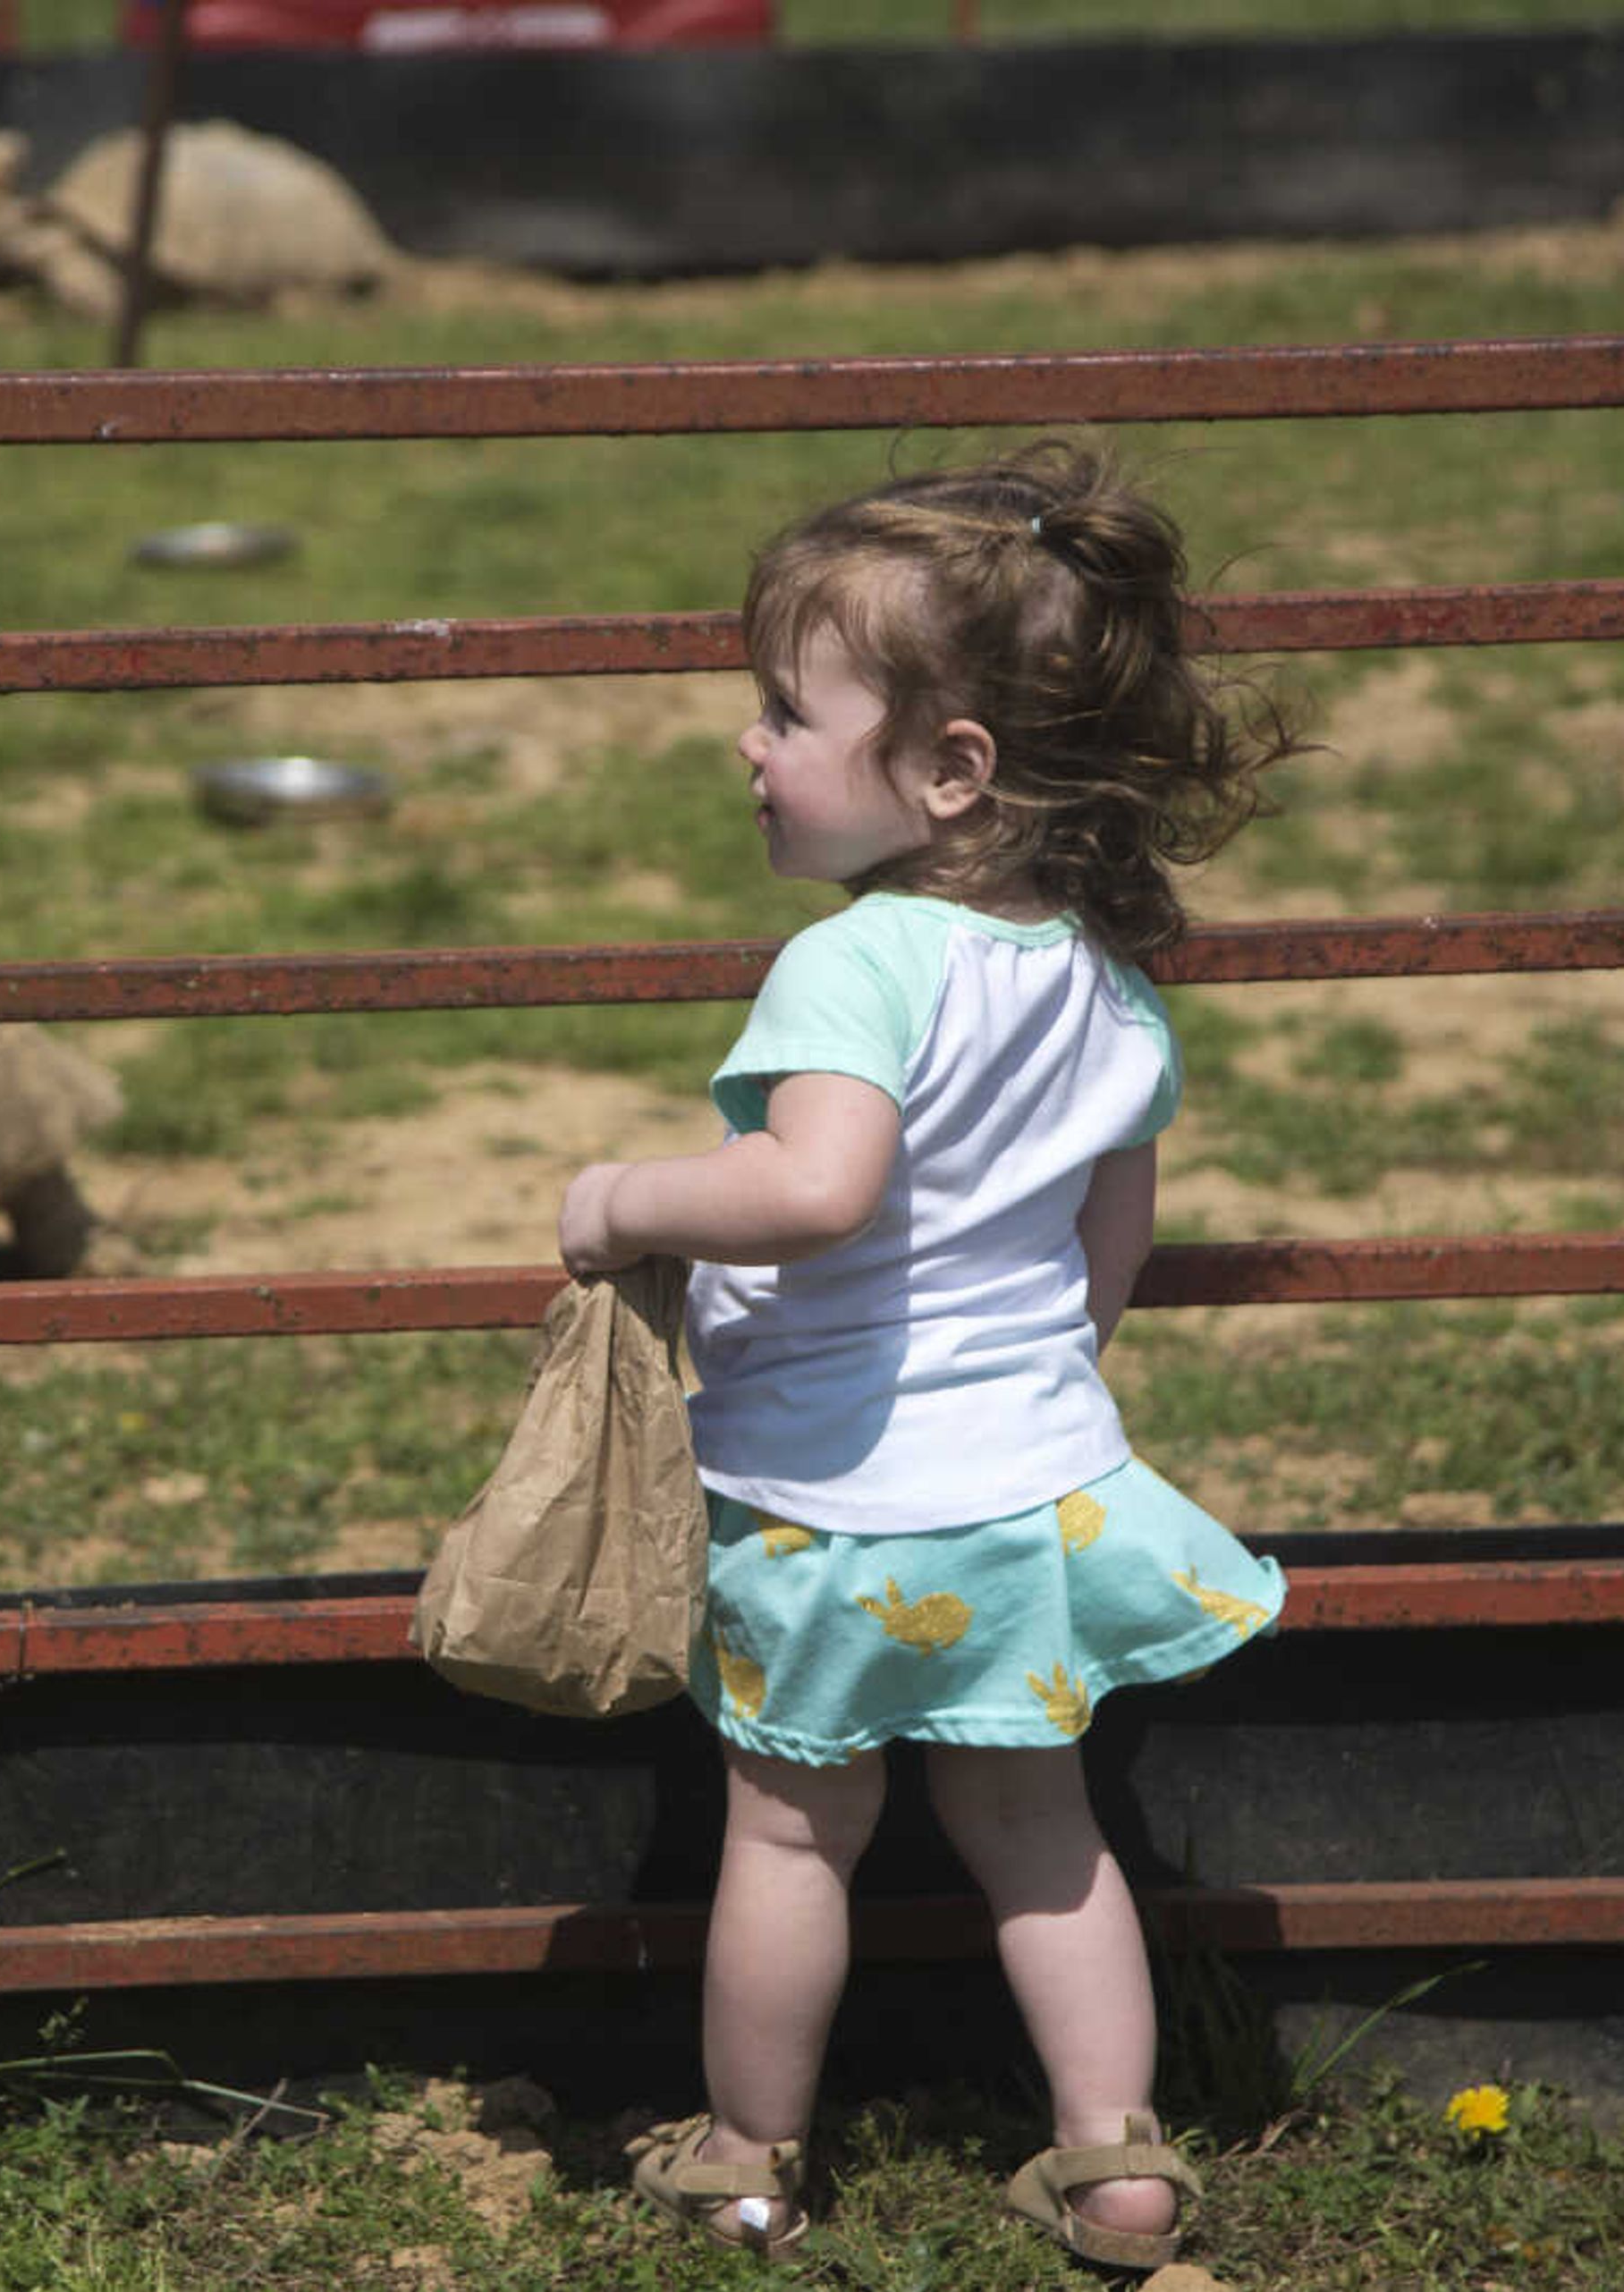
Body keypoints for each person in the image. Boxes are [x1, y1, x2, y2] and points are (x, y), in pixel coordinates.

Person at [557, 437, 1300, 2272]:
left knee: (793, 1836)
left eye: (786, 713)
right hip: (1033, 1493)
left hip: (832, 1503)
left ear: (948, 769)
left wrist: (626, 1198)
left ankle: (746, 2148)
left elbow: (818, 1189)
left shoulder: (859, 962)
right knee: (1043, 1833)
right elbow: (1104, 1238)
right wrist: (1043, 1379)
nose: (750, 745)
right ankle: (1119, 2161)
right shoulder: (1106, 982)